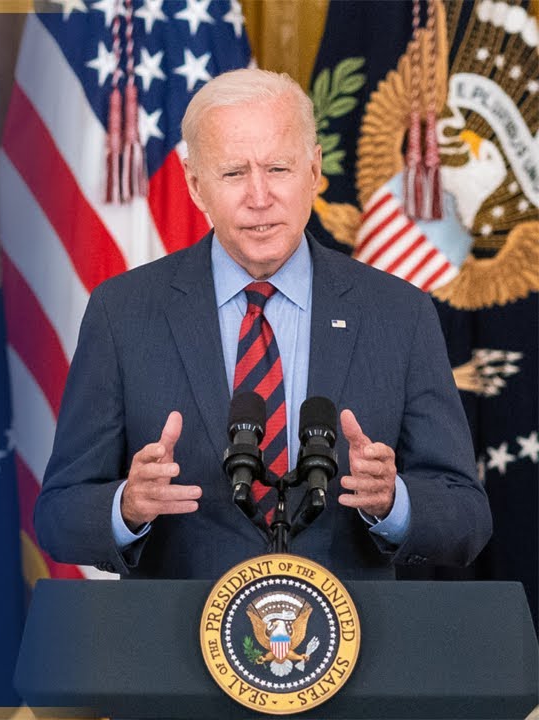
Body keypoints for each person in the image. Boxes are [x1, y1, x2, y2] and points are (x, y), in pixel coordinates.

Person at [34, 68, 491, 580]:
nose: (258, 196)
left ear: (314, 170)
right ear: (194, 183)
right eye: (233, 173)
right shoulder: (123, 312)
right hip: (175, 647)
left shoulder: (399, 313)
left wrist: (393, 501)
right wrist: (126, 507)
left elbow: (467, 518)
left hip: (355, 646)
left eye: (278, 168)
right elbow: (58, 516)